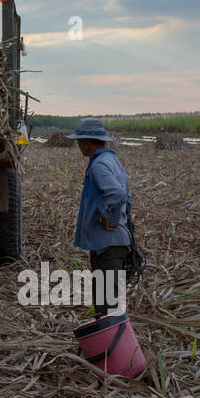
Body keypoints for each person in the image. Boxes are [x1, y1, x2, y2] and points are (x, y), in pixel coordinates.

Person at [66, 118, 132, 317]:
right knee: (108, 305)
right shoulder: (112, 161)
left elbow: (118, 194)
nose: (79, 147)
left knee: (108, 309)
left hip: (109, 245)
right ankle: (110, 347)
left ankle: (113, 348)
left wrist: (108, 216)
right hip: (110, 245)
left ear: (86, 142)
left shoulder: (99, 165)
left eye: (79, 142)